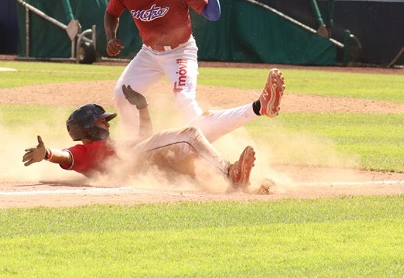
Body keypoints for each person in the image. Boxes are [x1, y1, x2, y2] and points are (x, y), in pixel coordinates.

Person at [22, 69, 285, 191]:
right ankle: (231, 173)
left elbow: (146, 140)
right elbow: (66, 157)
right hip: (138, 163)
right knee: (190, 135)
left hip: (144, 162)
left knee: (190, 156)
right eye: (102, 120)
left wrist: (142, 108)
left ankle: (245, 183)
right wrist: (47, 154)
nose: (108, 122)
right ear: (88, 128)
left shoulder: (112, 146)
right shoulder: (86, 150)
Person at [104, 0, 221, 136]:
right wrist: (110, 37)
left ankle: (205, 144)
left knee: (184, 98)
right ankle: (137, 143)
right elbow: (111, 14)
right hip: (149, 54)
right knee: (122, 96)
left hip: (181, 52)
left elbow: (213, 14)